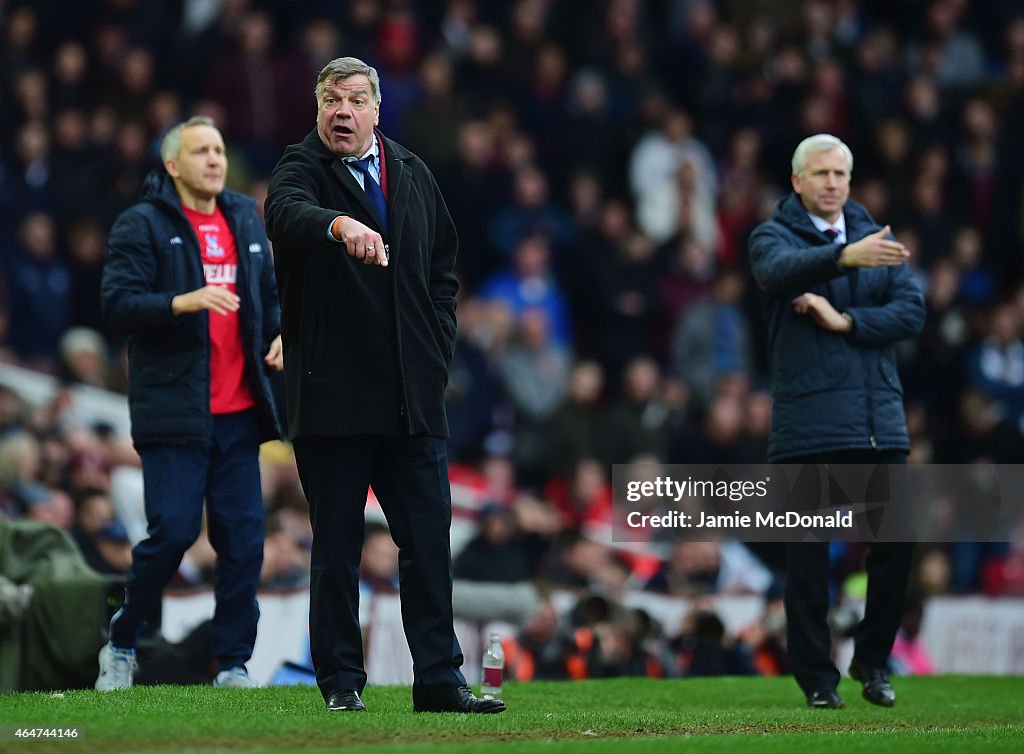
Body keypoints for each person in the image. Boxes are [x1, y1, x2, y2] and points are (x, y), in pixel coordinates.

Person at [264, 57, 504, 714]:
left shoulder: (413, 173)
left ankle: (440, 681)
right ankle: (342, 682)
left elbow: (443, 272)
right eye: (330, 100)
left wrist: (436, 350)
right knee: (337, 549)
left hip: (411, 399)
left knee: (427, 546)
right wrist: (340, 226)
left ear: (376, 109)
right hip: (334, 398)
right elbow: (284, 213)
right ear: (317, 110)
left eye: (355, 99)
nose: (341, 111)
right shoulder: (300, 167)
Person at [97, 116, 284, 690]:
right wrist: (181, 301)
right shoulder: (143, 223)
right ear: (172, 165)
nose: (214, 159)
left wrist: (279, 333)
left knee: (244, 542)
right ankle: (122, 641)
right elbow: (117, 304)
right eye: (200, 150)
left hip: (237, 415)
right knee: (174, 534)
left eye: (220, 149)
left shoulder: (245, 218)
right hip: (176, 412)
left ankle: (232, 663)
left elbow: (267, 296)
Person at [748, 133, 925, 710]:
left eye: (840, 175)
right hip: (807, 426)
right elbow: (776, 272)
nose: (831, 183)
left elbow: (912, 311)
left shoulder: (880, 239)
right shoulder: (771, 236)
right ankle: (817, 681)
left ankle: (872, 661)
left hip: (878, 422)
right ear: (796, 181)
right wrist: (843, 258)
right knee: (807, 561)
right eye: (820, 174)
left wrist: (845, 320)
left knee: (898, 542)